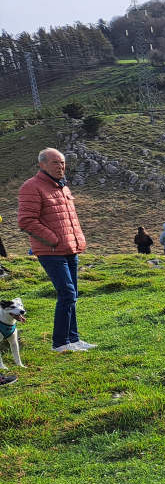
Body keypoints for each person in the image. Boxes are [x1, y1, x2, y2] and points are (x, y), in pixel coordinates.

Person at [17, 147, 96, 353]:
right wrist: (53, 240)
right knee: (67, 293)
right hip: (51, 251)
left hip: (69, 249)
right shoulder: (31, 187)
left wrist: (78, 240)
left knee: (72, 294)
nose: (60, 166)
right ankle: (60, 343)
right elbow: (26, 221)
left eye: (62, 163)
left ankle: (73, 339)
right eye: (55, 162)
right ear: (42, 164)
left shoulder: (63, 187)